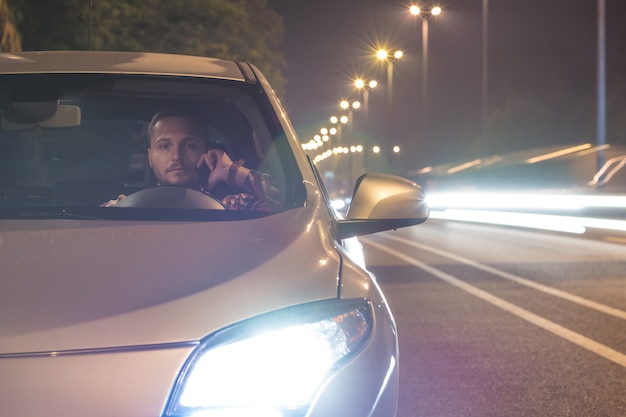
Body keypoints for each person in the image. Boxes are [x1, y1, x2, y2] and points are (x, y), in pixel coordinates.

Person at [102, 107, 281, 211]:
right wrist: (123, 208)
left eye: (190, 146)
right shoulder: (123, 209)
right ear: (150, 157)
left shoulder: (232, 206)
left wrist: (232, 171)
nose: (176, 156)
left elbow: (288, 200)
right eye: (165, 146)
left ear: (206, 151)